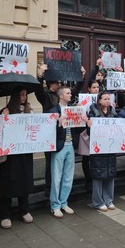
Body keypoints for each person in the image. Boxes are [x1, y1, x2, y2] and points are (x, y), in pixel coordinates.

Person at [0, 88, 34, 229]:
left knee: (24, 180)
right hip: (11, 154)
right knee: (8, 182)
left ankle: (24, 210)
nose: (23, 97)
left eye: (25, 94)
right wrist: (3, 118)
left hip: (25, 152)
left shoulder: (30, 110)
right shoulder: (6, 110)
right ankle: (5, 214)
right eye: (21, 94)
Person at [47, 87, 83, 218]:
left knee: (68, 176)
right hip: (59, 146)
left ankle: (64, 202)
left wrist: (82, 117)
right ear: (61, 96)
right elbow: (47, 133)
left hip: (70, 145)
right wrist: (57, 124)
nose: (70, 94)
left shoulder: (72, 110)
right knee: (56, 177)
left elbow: (78, 129)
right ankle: (55, 205)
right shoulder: (53, 112)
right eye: (68, 93)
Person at [87, 92, 118, 211]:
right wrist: (89, 125)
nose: (107, 101)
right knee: (98, 174)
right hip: (99, 148)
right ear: (99, 100)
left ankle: (109, 200)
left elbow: (119, 127)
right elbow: (90, 132)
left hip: (110, 147)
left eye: (108, 99)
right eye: (105, 99)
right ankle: (98, 201)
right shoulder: (93, 112)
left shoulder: (113, 112)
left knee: (110, 174)